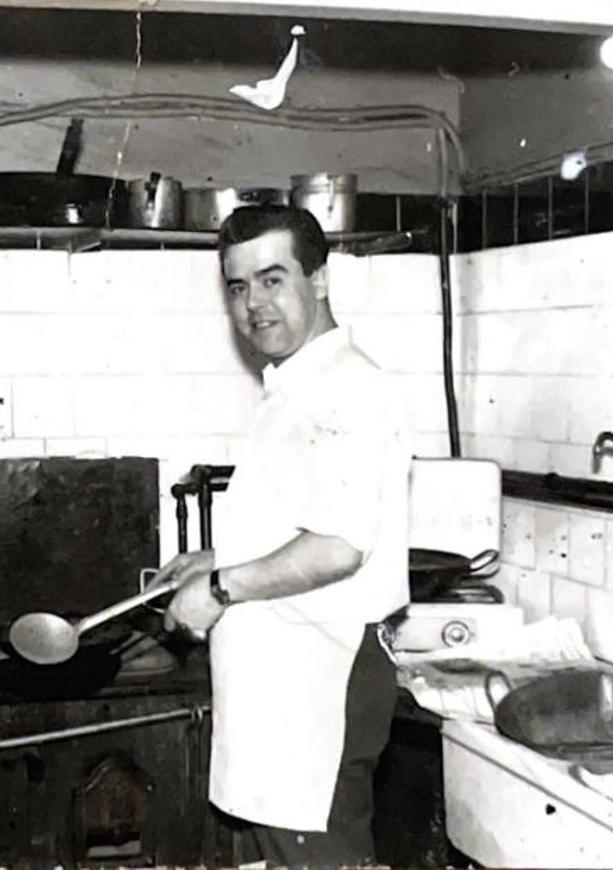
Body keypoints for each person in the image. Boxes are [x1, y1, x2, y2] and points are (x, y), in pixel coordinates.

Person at [154, 205, 410, 867]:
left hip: (319, 692)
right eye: (238, 287)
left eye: (272, 279)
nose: (253, 304)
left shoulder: (348, 387)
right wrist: (213, 559)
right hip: (287, 697)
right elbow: (301, 523)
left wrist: (218, 587)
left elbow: (337, 547)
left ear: (319, 279)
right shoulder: (296, 385)